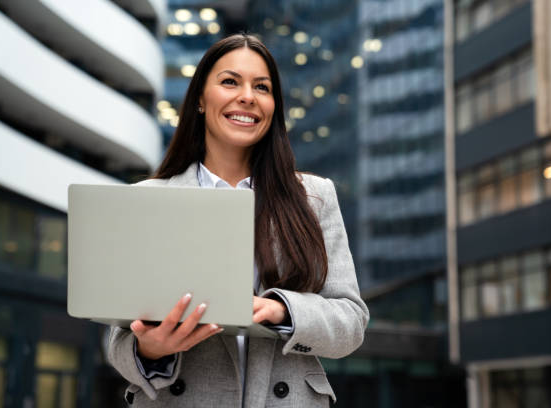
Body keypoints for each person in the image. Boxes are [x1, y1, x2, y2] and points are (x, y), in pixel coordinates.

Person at [108, 33, 369, 407]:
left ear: (273, 105)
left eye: (261, 87)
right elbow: (118, 332)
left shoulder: (314, 197)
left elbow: (351, 322)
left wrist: (283, 310)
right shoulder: (148, 199)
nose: (247, 96)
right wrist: (150, 350)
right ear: (200, 98)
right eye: (230, 81)